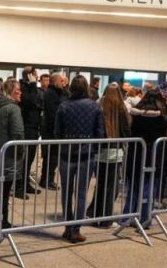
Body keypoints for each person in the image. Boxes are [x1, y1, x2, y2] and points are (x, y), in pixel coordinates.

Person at [54, 75, 104, 243]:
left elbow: (57, 132)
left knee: (66, 192)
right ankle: (76, 229)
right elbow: (100, 133)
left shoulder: (63, 106)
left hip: (66, 154)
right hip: (87, 154)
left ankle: (68, 227)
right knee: (81, 192)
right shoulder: (94, 107)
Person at [124, 89, 167, 227]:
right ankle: (145, 218)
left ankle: (128, 216)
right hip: (154, 156)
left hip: (136, 154)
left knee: (133, 186)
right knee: (149, 187)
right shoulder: (161, 118)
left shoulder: (136, 114)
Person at [88, 83, 131, 227]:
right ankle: (106, 219)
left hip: (99, 152)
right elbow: (126, 131)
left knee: (100, 184)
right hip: (114, 152)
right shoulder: (120, 108)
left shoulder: (98, 107)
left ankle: (95, 214)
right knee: (111, 187)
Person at [0, 78, 25, 230]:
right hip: (9, 156)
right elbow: (18, 133)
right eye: (18, 90)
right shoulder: (13, 109)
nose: (21, 93)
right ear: (12, 91)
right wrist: (22, 151)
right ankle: (2, 221)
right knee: (4, 191)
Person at [16, 66, 43, 198]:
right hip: (26, 127)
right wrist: (33, 85)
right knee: (24, 160)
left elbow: (38, 103)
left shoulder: (33, 88)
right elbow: (30, 101)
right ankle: (19, 187)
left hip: (33, 127)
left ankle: (26, 184)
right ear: (30, 76)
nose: (38, 76)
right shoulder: (23, 87)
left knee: (30, 159)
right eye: (35, 74)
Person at [39, 73, 66, 190]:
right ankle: (46, 180)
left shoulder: (55, 92)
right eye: (61, 81)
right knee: (51, 157)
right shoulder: (51, 94)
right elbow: (53, 114)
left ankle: (48, 179)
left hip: (52, 130)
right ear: (55, 82)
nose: (62, 83)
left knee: (52, 157)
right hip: (50, 131)